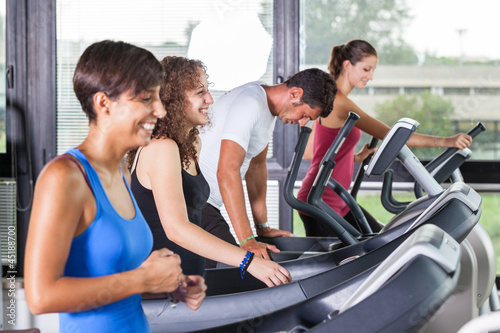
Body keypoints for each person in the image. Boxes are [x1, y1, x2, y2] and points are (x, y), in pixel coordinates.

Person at [24, 41, 206, 333]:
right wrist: (142, 280)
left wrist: (168, 285)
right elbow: (41, 297)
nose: (160, 110)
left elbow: (113, 281)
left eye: (159, 98)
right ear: (103, 103)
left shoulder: (121, 174)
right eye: (147, 99)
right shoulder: (64, 177)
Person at [127, 56, 291, 286]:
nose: (210, 100)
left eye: (208, 90)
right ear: (172, 99)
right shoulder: (161, 148)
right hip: (164, 287)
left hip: (191, 277)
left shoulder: (191, 144)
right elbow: (177, 229)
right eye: (199, 92)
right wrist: (248, 261)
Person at [297, 39, 473, 236]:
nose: (370, 76)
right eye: (366, 69)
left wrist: (354, 157)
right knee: (365, 253)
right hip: (321, 202)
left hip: (336, 200)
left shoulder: (330, 100)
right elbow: (392, 136)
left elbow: (310, 152)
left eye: (372, 70)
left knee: (381, 241)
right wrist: (446, 141)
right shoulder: (339, 102)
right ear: (347, 65)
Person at [199, 68, 337, 264]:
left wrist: (261, 227)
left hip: (207, 203)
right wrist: (247, 240)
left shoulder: (266, 110)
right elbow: (227, 171)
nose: (302, 122)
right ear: (295, 94)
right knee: (239, 267)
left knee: (243, 267)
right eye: (305, 114)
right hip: (193, 202)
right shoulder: (251, 103)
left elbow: (256, 168)